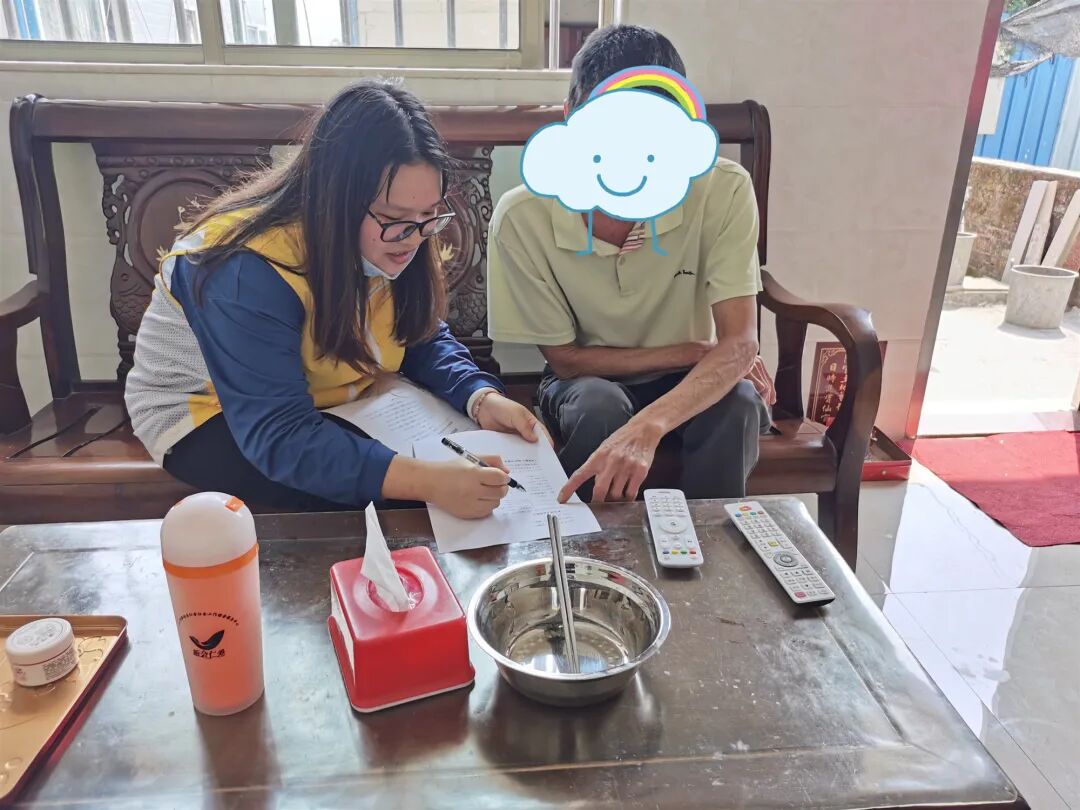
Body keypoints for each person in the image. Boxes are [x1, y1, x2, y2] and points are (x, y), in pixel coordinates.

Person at [126, 79, 543, 517]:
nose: (413, 238)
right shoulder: (242, 268)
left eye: (429, 216)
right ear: (334, 200)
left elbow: (419, 333)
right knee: (396, 493)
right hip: (211, 416)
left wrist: (480, 397)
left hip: (330, 397)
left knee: (424, 472)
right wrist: (427, 482)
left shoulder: (394, 234)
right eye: (395, 218)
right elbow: (280, 436)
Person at [487, 24, 775, 505]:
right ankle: (586, 540)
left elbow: (741, 342)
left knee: (738, 403)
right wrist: (695, 351)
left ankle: (709, 545)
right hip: (586, 382)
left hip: (687, 379)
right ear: (570, 118)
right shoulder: (523, 216)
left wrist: (649, 424)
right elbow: (566, 359)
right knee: (599, 406)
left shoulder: (723, 189)